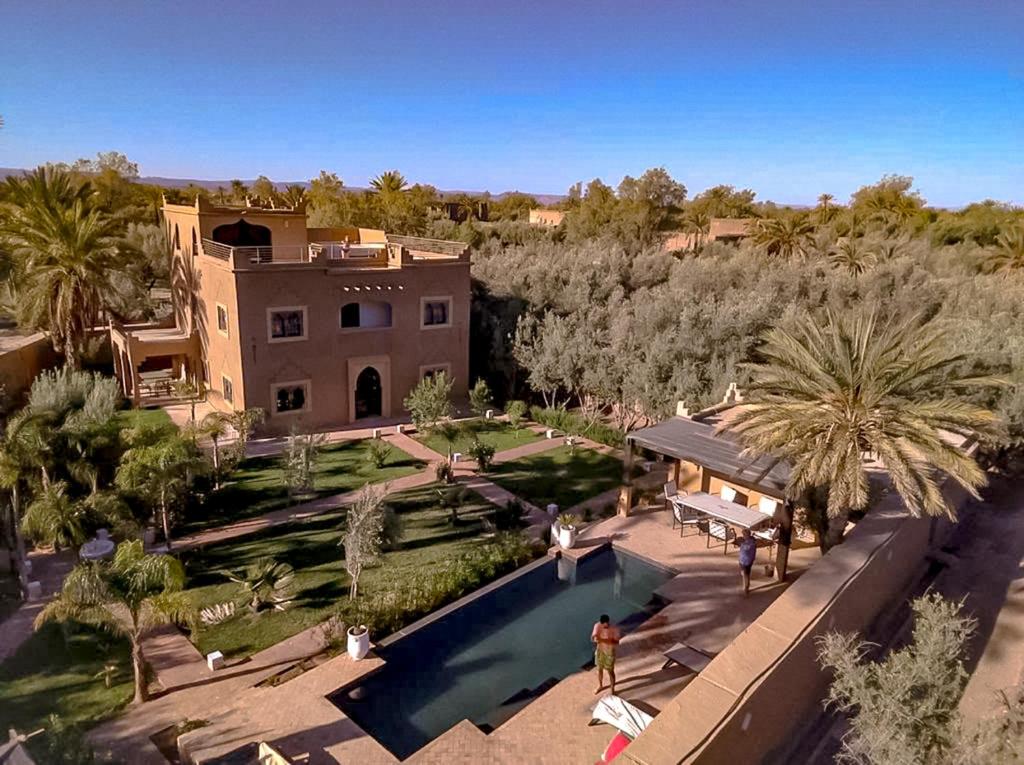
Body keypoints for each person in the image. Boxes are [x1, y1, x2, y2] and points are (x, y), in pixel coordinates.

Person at [592, 614, 621, 694]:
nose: (604, 626)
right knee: (599, 669)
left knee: (610, 671)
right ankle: (600, 685)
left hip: (609, 652)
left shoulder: (614, 629)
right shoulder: (597, 625)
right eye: (603, 625)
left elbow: (616, 642)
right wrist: (595, 638)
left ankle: (612, 688)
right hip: (600, 651)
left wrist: (601, 639)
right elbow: (593, 637)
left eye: (606, 625)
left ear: (608, 622)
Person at [737, 528, 757, 596]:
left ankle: (746, 589)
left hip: (746, 561)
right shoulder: (750, 541)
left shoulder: (750, 543)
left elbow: (746, 549)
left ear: (747, 535)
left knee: (746, 575)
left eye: (744, 535)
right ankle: (746, 586)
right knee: (745, 573)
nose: (743, 536)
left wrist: (742, 543)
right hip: (744, 560)